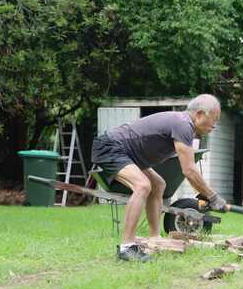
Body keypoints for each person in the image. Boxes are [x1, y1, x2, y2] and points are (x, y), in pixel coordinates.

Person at [91, 94, 227, 262]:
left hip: (129, 154)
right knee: (143, 186)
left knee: (158, 185)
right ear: (199, 114)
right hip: (111, 147)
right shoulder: (183, 125)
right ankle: (127, 248)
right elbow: (190, 170)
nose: (214, 125)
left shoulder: (184, 126)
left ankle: (154, 238)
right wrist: (213, 197)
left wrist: (204, 194)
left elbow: (190, 170)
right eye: (214, 119)